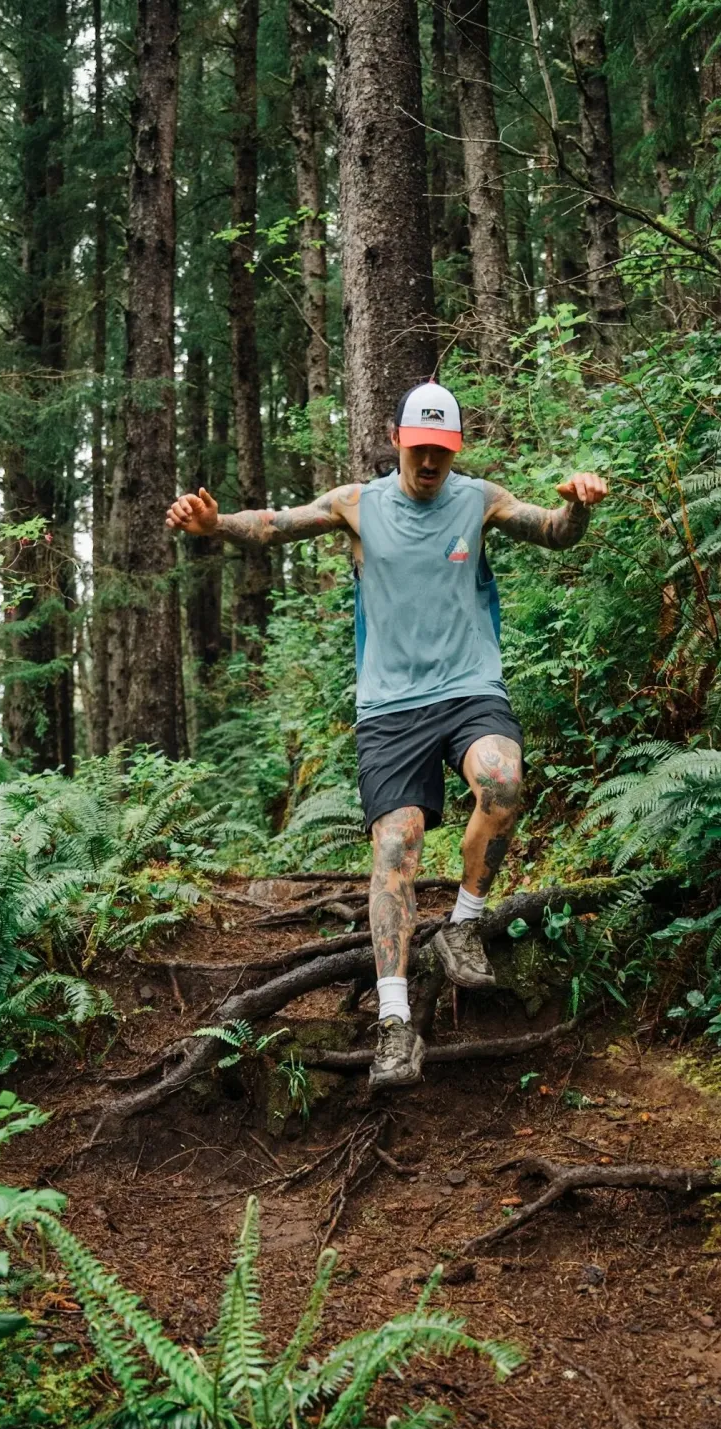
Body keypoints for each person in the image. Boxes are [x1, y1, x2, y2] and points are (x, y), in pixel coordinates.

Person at [166, 381, 608, 1088]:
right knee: (397, 844)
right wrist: (215, 525)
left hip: (469, 687)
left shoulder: (479, 499)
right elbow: (277, 523)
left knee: (502, 782)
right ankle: (397, 1023)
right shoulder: (359, 505)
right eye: (420, 447)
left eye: (443, 449)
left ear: (454, 449)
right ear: (397, 440)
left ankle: (463, 922)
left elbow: (552, 531)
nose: (430, 461)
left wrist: (578, 506)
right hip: (391, 706)